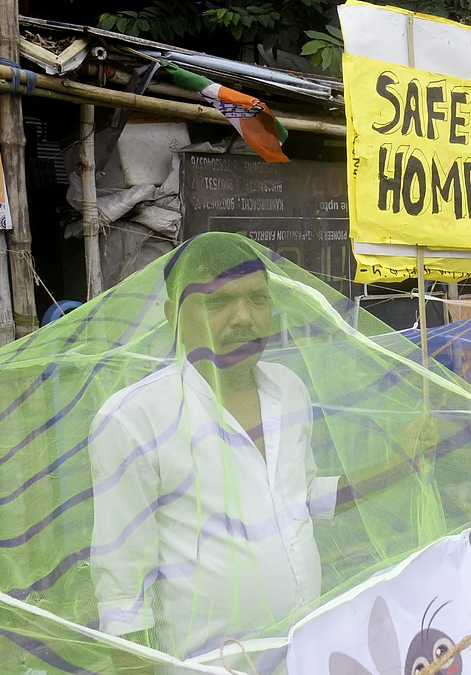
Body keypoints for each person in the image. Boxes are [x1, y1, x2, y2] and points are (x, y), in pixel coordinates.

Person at [88, 234, 345, 671]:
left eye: (258, 299)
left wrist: (406, 465)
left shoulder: (289, 389)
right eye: (216, 302)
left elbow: (297, 497)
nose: (244, 318)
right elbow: (123, 599)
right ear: (173, 317)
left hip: (306, 658)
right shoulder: (134, 419)